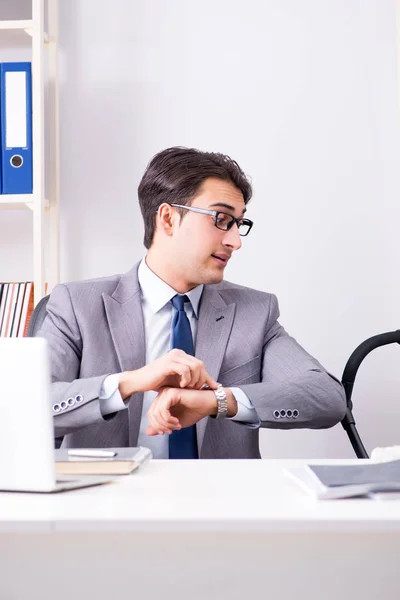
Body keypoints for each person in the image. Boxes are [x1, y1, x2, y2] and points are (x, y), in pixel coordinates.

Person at [39, 146, 346, 458]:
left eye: (239, 224)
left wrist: (218, 401)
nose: (235, 241)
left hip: (219, 502)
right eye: (222, 219)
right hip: (107, 500)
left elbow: (327, 396)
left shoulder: (254, 311)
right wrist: (128, 383)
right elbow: (25, 405)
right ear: (169, 219)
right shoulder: (78, 306)